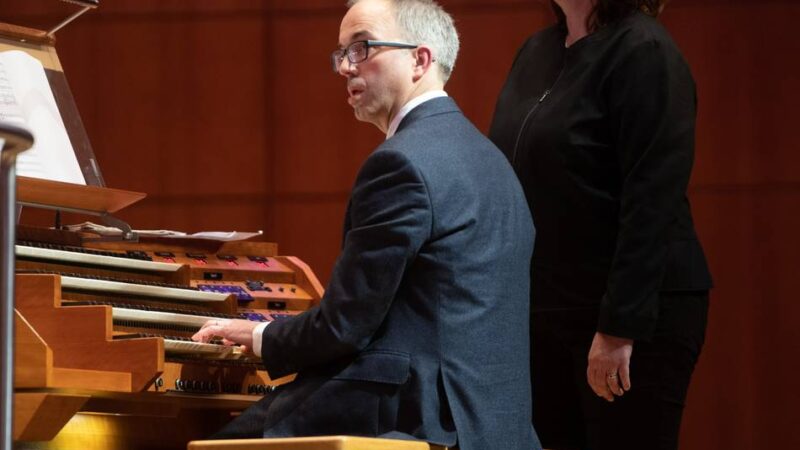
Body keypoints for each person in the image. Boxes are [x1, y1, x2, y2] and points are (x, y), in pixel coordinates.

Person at [193, 1, 541, 449]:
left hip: (416, 416)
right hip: (498, 424)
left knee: (205, 441)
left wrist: (262, 336)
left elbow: (346, 325)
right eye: (341, 54)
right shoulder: (492, 160)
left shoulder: (401, 163)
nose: (344, 67)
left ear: (420, 59)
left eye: (361, 48)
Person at [488, 1, 713, 449]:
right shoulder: (537, 50)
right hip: (549, 311)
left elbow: (652, 199)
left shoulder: (644, 50)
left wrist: (618, 328)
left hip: (629, 314)